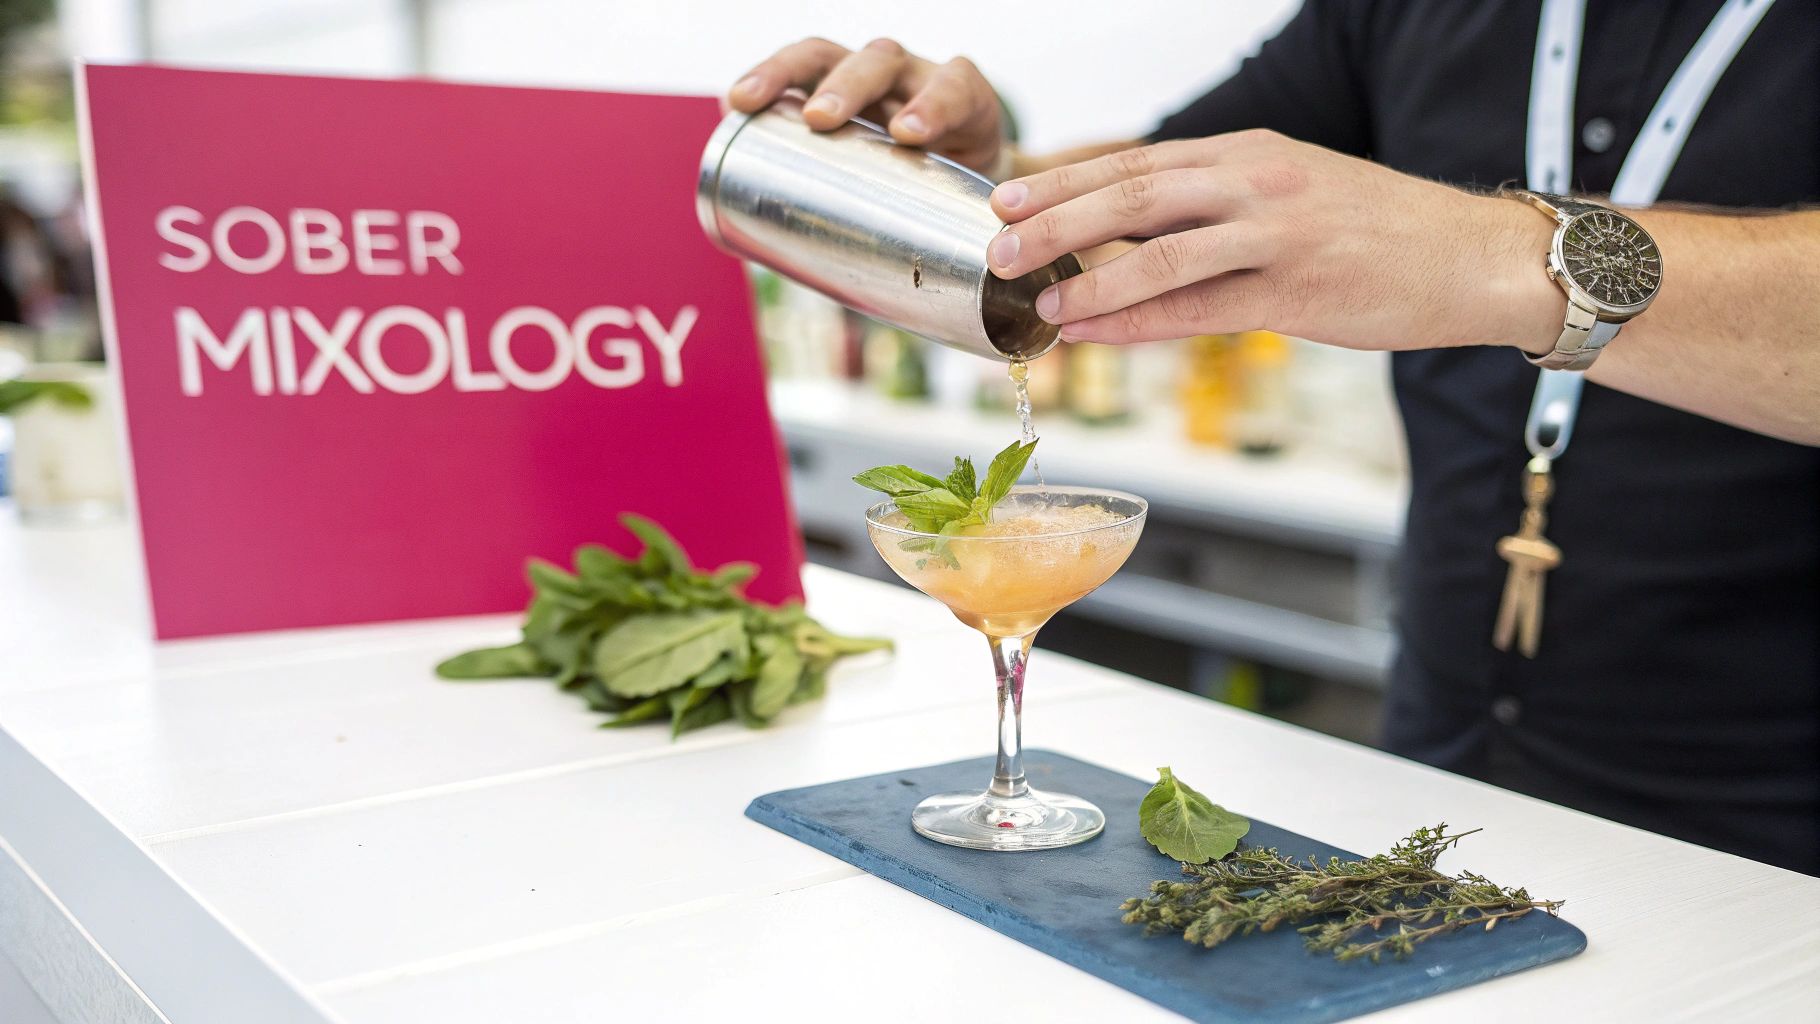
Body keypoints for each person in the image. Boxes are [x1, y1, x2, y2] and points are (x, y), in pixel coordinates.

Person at [731, 1, 1820, 875]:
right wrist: (973, 192)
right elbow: (1179, 189)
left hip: (1771, 788)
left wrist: (1494, 256)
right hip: (1443, 737)